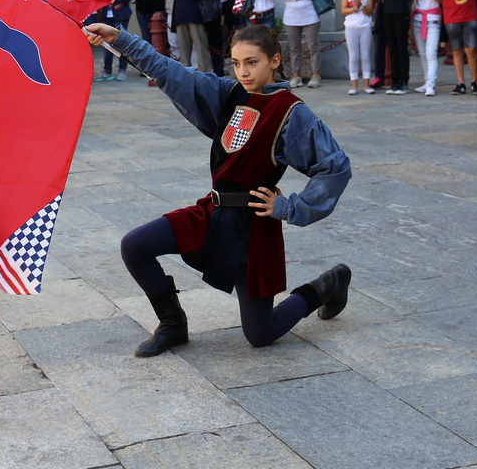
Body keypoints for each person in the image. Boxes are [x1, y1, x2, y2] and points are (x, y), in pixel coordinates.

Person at [84, 20, 352, 355]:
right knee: (135, 245)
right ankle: (172, 325)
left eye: (252, 62)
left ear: (274, 61)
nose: (244, 72)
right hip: (212, 213)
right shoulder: (230, 93)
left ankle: (327, 285)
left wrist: (289, 207)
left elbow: (335, 167)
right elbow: (170, 71)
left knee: (260, 334)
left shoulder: (291, 113)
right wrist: (120, 39)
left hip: (253, 228)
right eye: (237, 63)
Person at [370, 0, 413, 94]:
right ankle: (394, 82)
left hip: (401, 11)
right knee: (392, 48)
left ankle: (403, 81)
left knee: (401, 47)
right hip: (386, 11)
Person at [280, 0, 322, 88]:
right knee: (294, 48)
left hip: (310, 15)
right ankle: (296, 75)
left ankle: (316, 75)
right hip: (291, 16)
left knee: (313, 46)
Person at [93, 0, 133, 82]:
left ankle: (122, 70)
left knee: (121, 42)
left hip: (121, 13)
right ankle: (107, 71)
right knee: (106, 43)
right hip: (107, 14)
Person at [411, 0, 442, 97]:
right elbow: (411, 0)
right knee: (422, 53)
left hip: (433, 18)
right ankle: (426, 81)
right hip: (418, 19)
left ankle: (431, 83)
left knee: (431, 53)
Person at [341, 0, 375, 95]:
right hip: (351, 27)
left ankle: (366, 85)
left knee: (366, 56)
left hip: (365, 26)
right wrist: (354, 8)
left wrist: (361, 6)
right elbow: (344, 10)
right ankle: (354, 86)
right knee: (353, 56)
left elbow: (370, 11)